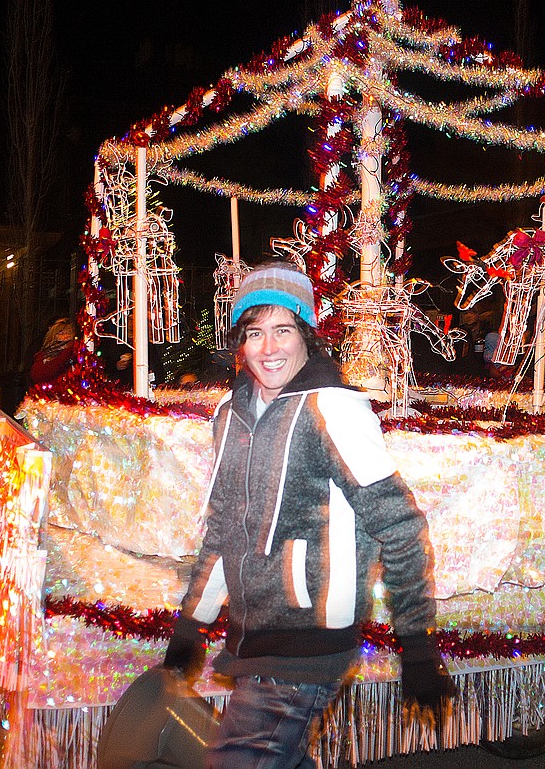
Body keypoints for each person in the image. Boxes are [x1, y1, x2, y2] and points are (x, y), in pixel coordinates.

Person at [163, 261, 455, 767]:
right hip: (253, 642)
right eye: (255, 333)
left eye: (284, 330)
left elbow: (401, 528)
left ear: (306, 336)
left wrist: (417, 644)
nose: (269, 348)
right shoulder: (230, 416)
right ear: (240, 341)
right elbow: (225, 527)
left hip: (307, 646)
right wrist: (193, 622)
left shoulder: (334, 411)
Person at [30, 318, 79, 386]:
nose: (66, 336)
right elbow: (38, 375)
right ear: (54, 336)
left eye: (69, 332)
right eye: (61, 333)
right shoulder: (45, 353)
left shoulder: (76, 351)